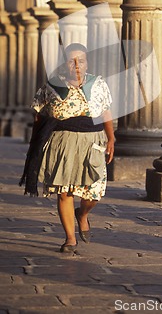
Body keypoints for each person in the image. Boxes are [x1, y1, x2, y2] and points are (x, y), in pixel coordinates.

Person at [23, 43, 115, 253]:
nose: (76, 65)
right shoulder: (52, 86)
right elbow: (38, 113)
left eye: (80, 60)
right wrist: (37, 142)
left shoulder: (98, 84)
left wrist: (111, 139)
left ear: (86, 62)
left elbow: (106, 112)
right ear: (64, 64)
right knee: (64, 192)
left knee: (93, 194)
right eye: (71, 61)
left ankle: (82, 214)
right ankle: (70, 239)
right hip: (61, 143)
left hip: (92, 142)